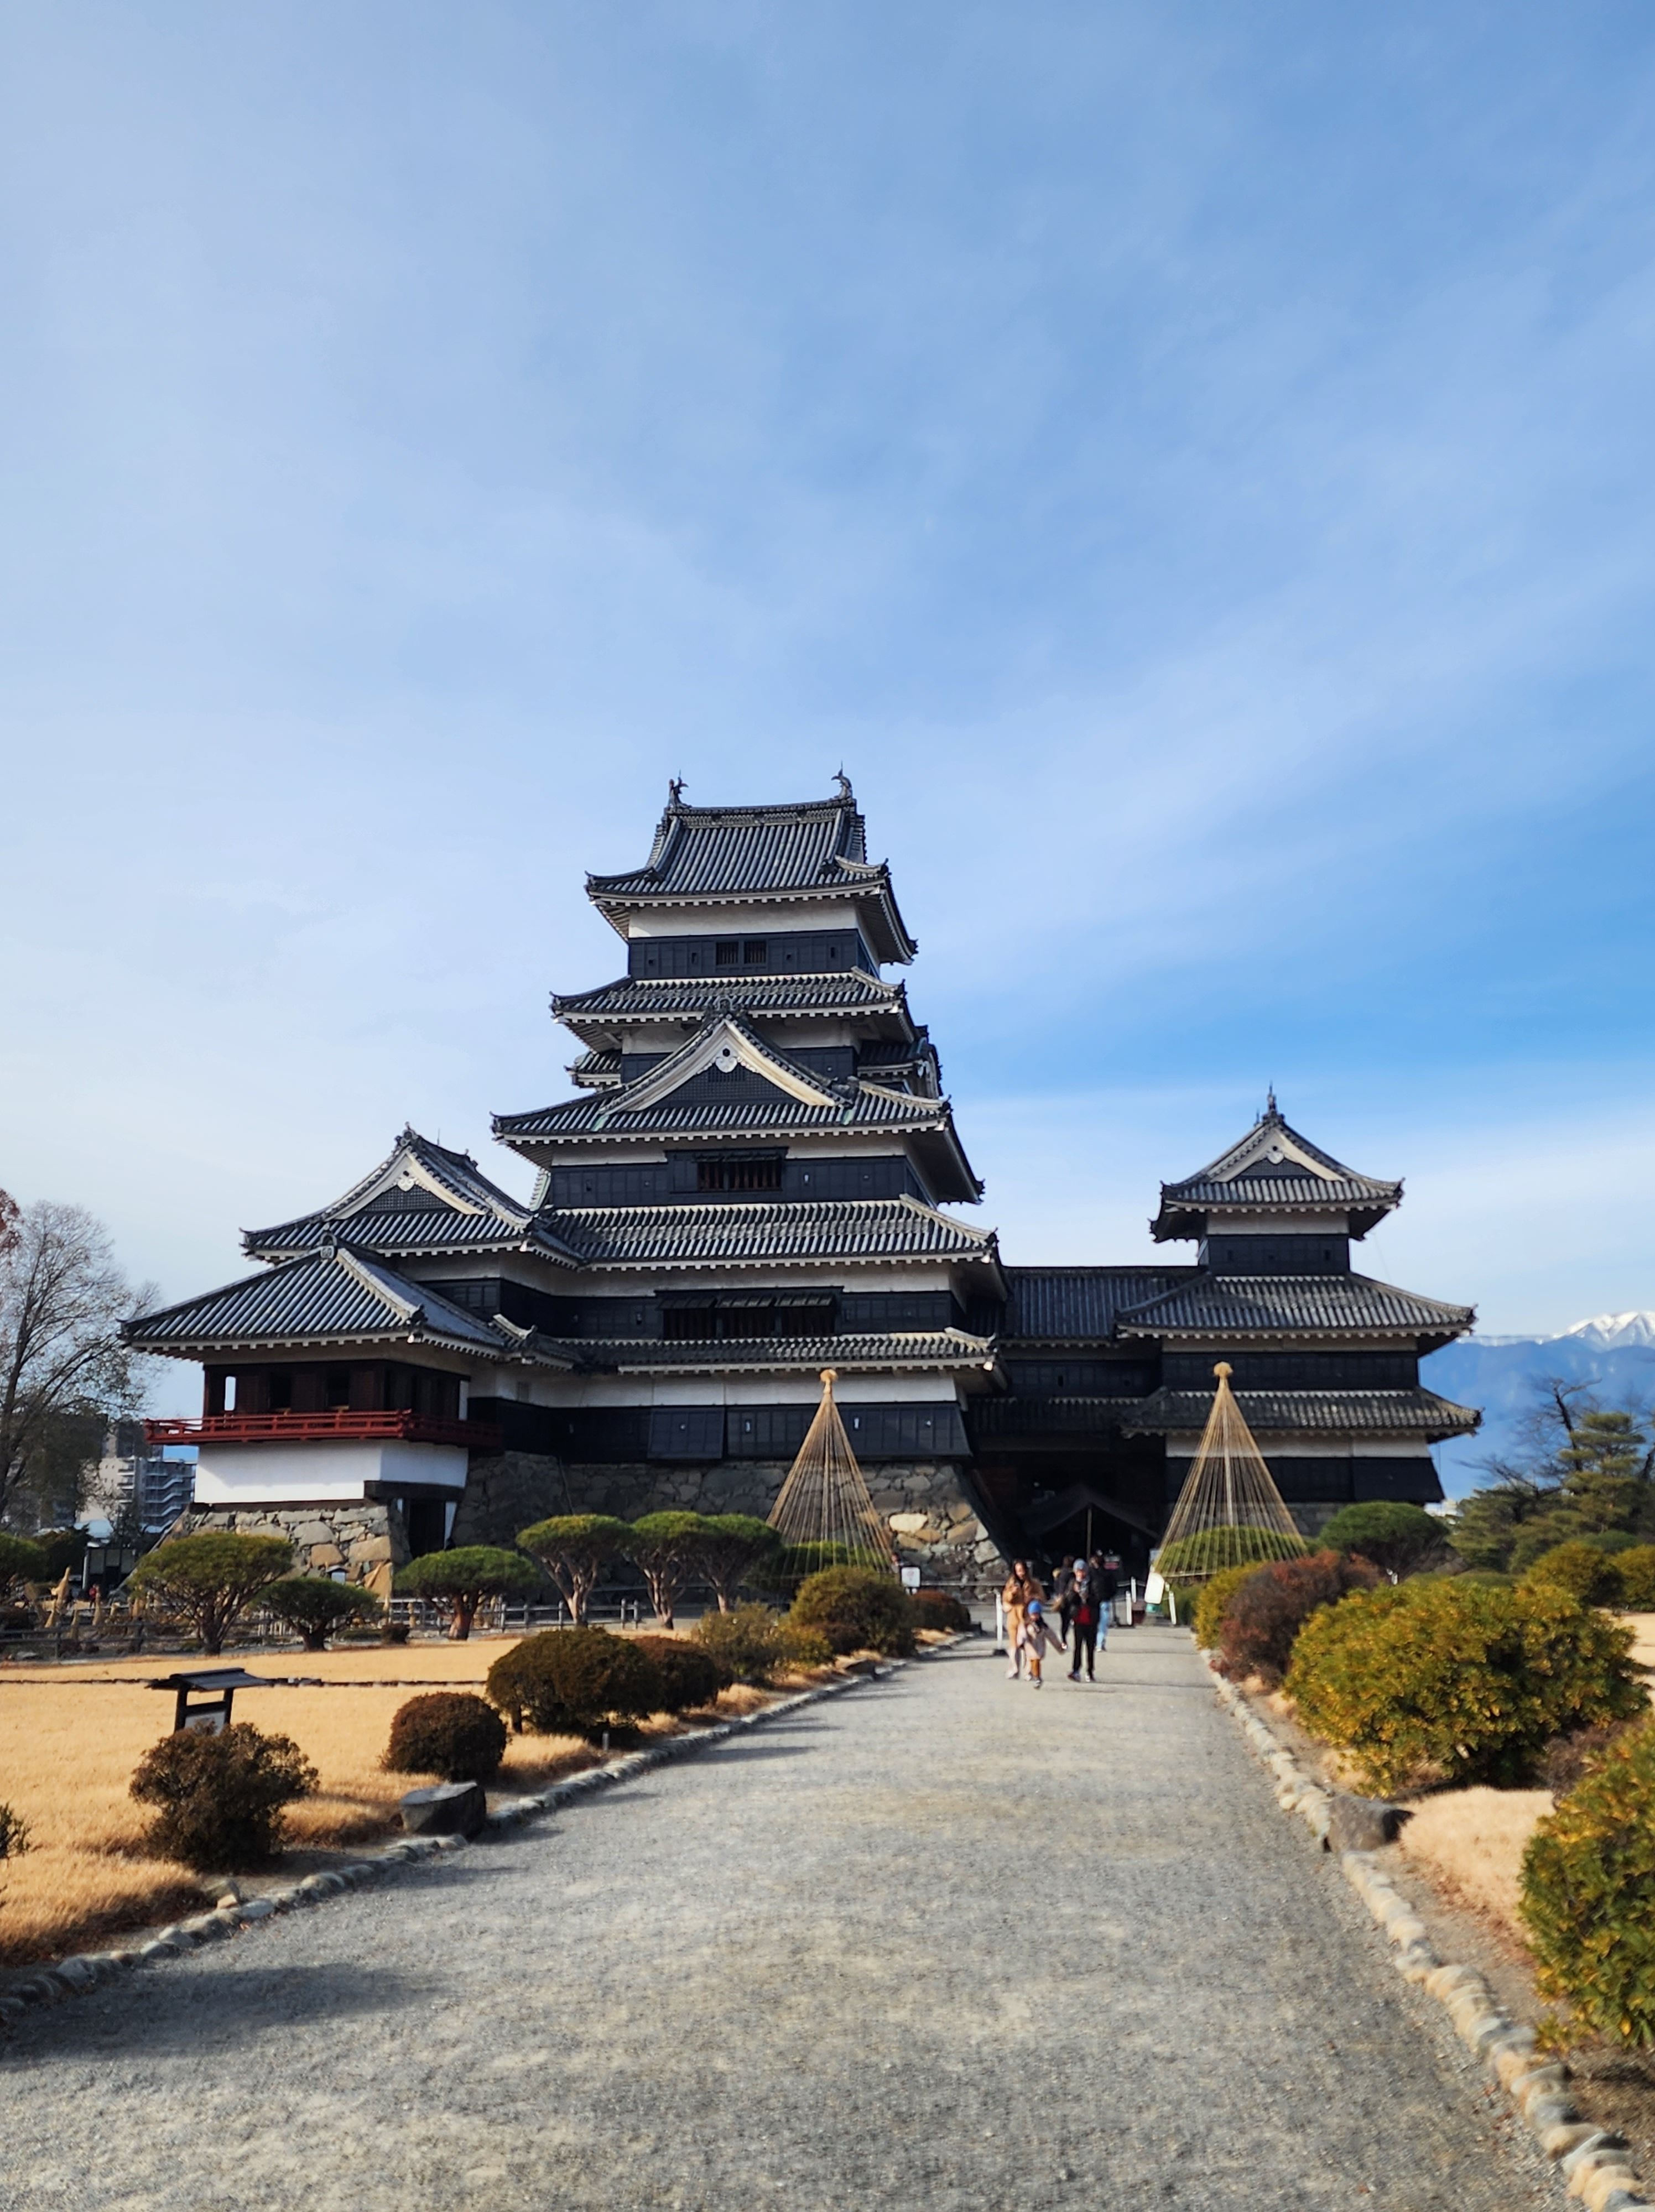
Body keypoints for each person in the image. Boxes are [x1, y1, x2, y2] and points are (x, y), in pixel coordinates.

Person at [1001, 1561, 1038, 1677]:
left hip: (1028, 1618)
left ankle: (1030, 1671)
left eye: (1022, 1570)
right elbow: (1006, 1599)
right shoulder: (1011, 1584)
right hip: (1014, 1618)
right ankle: (1015, 1669)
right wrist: (1012, 1593)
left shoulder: (1033, 1584)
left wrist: (1032, 1598)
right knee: (1014, 1645)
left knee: (1028, 1644)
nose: (1020, 1573)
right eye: (1018, 1571)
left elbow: (1042, 1597)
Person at [1067, 1562, 1100, 1682]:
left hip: (1091, 1619)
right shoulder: (1073, 1583)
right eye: (1078, 1571)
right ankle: (1076, 1670)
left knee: (1090, 1647)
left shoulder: (1093, 1583)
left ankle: (1090, 1671)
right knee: (1078, 1647)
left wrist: (1088, 1597)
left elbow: (1098, 1599)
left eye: (1082, 1571)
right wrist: (1075, 1593)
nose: (1080, 1574)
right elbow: (1069, 1600)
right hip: (1078, 1619)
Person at [1020, 1597, 1059, 1688]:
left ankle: (1036, 1677)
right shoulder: (1027, 1625)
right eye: (1033, 1614)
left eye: (1037, 1614)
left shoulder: (1043, 1626)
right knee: (1031, 1661)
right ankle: (1035, 1677)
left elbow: (1052, 1636)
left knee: (1035, 1661)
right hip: (1030, 1647)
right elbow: (1022, 1634)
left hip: (1040, 1647)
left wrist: (1060, 1646)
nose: (1035, 1616)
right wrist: (1021, 1643)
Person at [1053, 1557, 1077, 1650]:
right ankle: (1065, 1640)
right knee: (1069, 1620)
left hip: (1061, 1600)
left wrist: (1059, 1595)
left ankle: (1064, 1641)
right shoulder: (1071, 1575)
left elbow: (1056, 1586)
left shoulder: (1059, 1574)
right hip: (1069, 1600)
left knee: (1064, 1622)